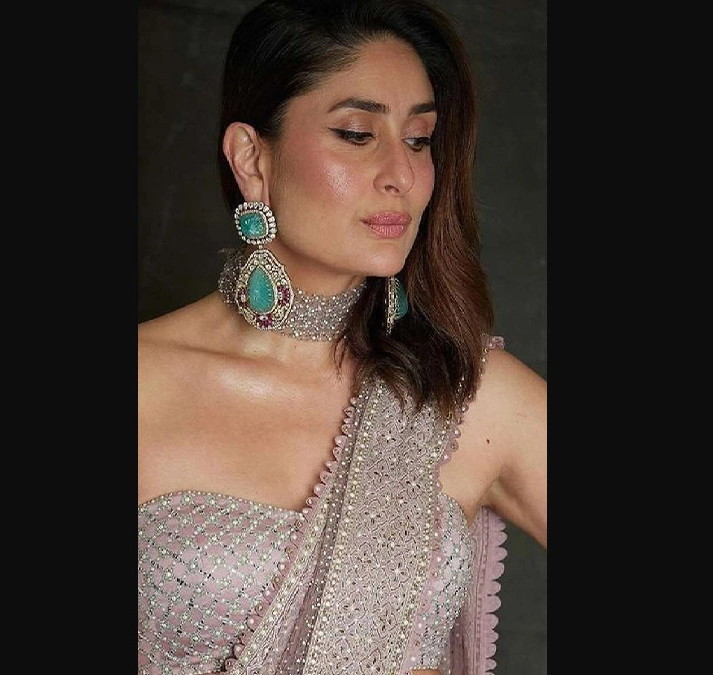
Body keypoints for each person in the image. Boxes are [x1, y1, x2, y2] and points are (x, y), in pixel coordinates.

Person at [137, 1, 546, 673]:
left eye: (419, 139)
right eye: (357, 134)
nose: (401, 174)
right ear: (251, 158)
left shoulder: (463, 391)